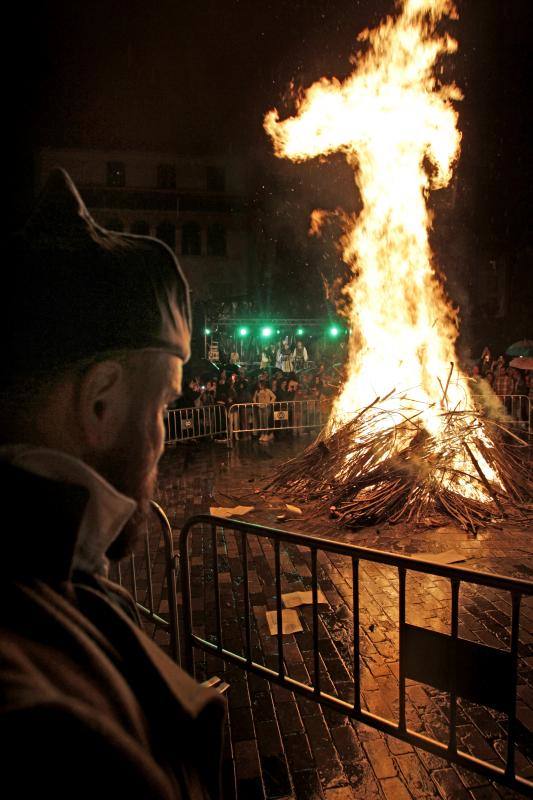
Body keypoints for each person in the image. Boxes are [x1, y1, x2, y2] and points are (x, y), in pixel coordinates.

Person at [0, 169, 225, 798]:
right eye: (161, 407)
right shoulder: (51, 736)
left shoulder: (52, 575)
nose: (161, 437)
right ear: (101, 405)